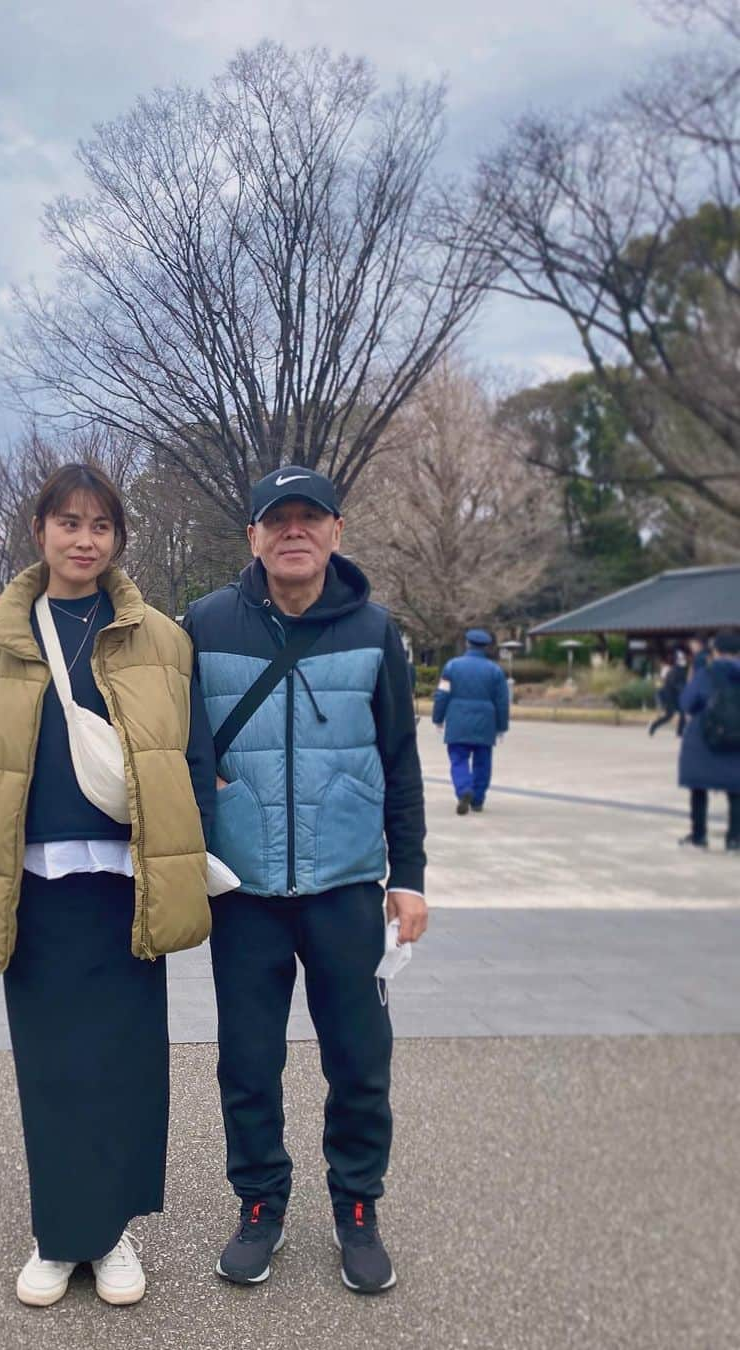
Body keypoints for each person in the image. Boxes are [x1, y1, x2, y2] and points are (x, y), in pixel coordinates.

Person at [0, 463, 215, 1309]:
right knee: (51, 1066)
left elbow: (193, 760)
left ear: (119, 537)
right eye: (69, 523)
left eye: (100, 525)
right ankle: (60, 1235)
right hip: (36, 888)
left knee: (128, 1067)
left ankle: (114, 1231)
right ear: (40, 530)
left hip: (126, 885)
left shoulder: (161, 639)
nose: (84, 540)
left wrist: (180, 849)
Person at [183, 465, 427, 1296]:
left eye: (308, 518)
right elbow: (184, 750)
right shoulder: (206, 625)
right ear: (251, 536)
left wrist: (412, 875)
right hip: (241, 891)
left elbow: (399, 758)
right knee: (247, 1061)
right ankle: (260, 1203)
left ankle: (357, 1205)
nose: (293, 531)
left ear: (336, 531)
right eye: (276, 519)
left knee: (360, 1058)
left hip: (347, 885)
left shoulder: (375, 629)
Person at [432, 629, 510, 815]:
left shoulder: (452, 666)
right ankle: (478, 799)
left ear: (467, 644)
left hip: (458, 720)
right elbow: (502, 701)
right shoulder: (495, 670)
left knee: (458, 759)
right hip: (485, 722)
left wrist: (438, 718)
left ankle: (463, 789)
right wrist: (501, 726)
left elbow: (442, 695)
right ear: (486, 647)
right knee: (483, 762)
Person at [678, 629, 740, 852]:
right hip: (737, 738)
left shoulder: (707, 673)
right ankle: (735, 840)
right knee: (736, 791)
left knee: (699, 788)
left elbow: (687, 703)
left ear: (715, 651)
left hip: (705, 736)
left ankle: (699, 837)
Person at [648, 650, 688, 737]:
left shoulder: (682, 670)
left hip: (677, 696)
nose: (683, 660)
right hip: (670, 697)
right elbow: (673, 683)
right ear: (677, 660)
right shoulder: (674, 670)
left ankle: (680, 732)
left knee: (682, 712)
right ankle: (653, 726)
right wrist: (682, 689)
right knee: (669, 715)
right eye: (681, 659)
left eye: (683, 658)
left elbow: (682, 683)